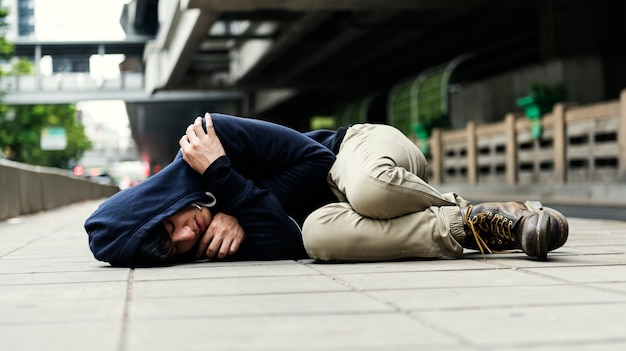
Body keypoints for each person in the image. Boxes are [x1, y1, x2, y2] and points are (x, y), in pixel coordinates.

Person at [84, 113, 568, 267]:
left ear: (158, 201)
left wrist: (223, 177)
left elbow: (316, 163)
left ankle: (479, 212)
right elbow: (288, 239)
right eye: (171, 246)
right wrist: (235, 206)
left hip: (357, 154)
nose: (185, 237)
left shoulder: (210, 140)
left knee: (371, 192)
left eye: (170, 224)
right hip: (336, 213)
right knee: (317, 238)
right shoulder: (212, 239)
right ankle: (476, 227)